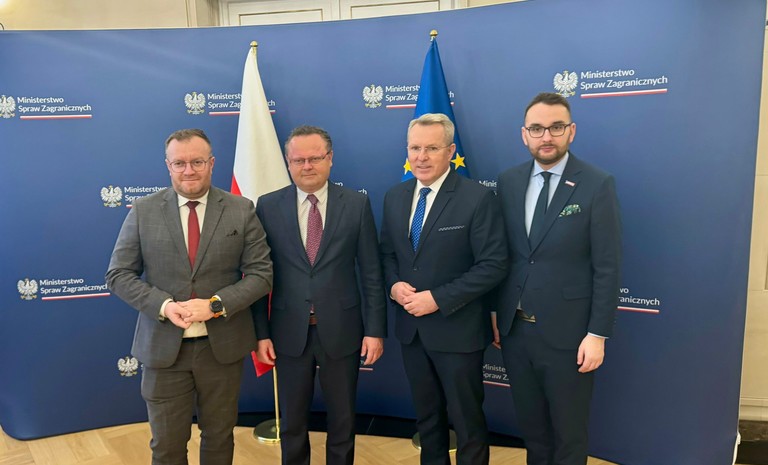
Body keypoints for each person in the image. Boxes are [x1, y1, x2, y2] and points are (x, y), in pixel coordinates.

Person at [106, 128, 273, 465]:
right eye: (179, 163)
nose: (189, 170)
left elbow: (261, 274)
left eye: (197, 162)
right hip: (163, 351)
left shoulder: (241, 209)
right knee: (167, 447)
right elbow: (118, 275)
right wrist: (164, 306)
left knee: (219, 440)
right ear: (168, 166)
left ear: (211, 163)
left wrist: (216, 305)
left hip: (221, 350)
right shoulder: (144, 210)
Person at [494, 92, 622, 465]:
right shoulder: (509, 181)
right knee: (533, 432)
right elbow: (503, 257)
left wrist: (597, 335)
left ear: (571, 131)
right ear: (524, 135)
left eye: (556, 127)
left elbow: (608, 266)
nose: (546, 136)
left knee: (569, 435)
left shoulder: (597, 183)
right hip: (516, 333)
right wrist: (496, 313)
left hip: (570, 337)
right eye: (537, 128)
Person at [253, 125, 387, 465]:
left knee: (342, 419)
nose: (307, 166)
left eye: (315, 158)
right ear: (288, 162)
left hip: (343, 329)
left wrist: (374, 330)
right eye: (298, 160)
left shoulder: (356, 204)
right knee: (292, 421)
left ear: (330, 159)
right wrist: (261, 333)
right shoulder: (268, 206)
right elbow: (257, 276)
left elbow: (371, 274)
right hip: (287, 332)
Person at [379, 113, 508, 465]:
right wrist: (393, 286)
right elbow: (387, 254)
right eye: (415, 148)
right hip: (412, 332)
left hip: (458, 331)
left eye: (432, 148)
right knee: (427, 419)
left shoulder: (477, 198)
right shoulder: (395, 196)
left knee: (467, 422)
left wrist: (437, 299)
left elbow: (493, 265)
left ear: (450, 151)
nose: (421, 157)